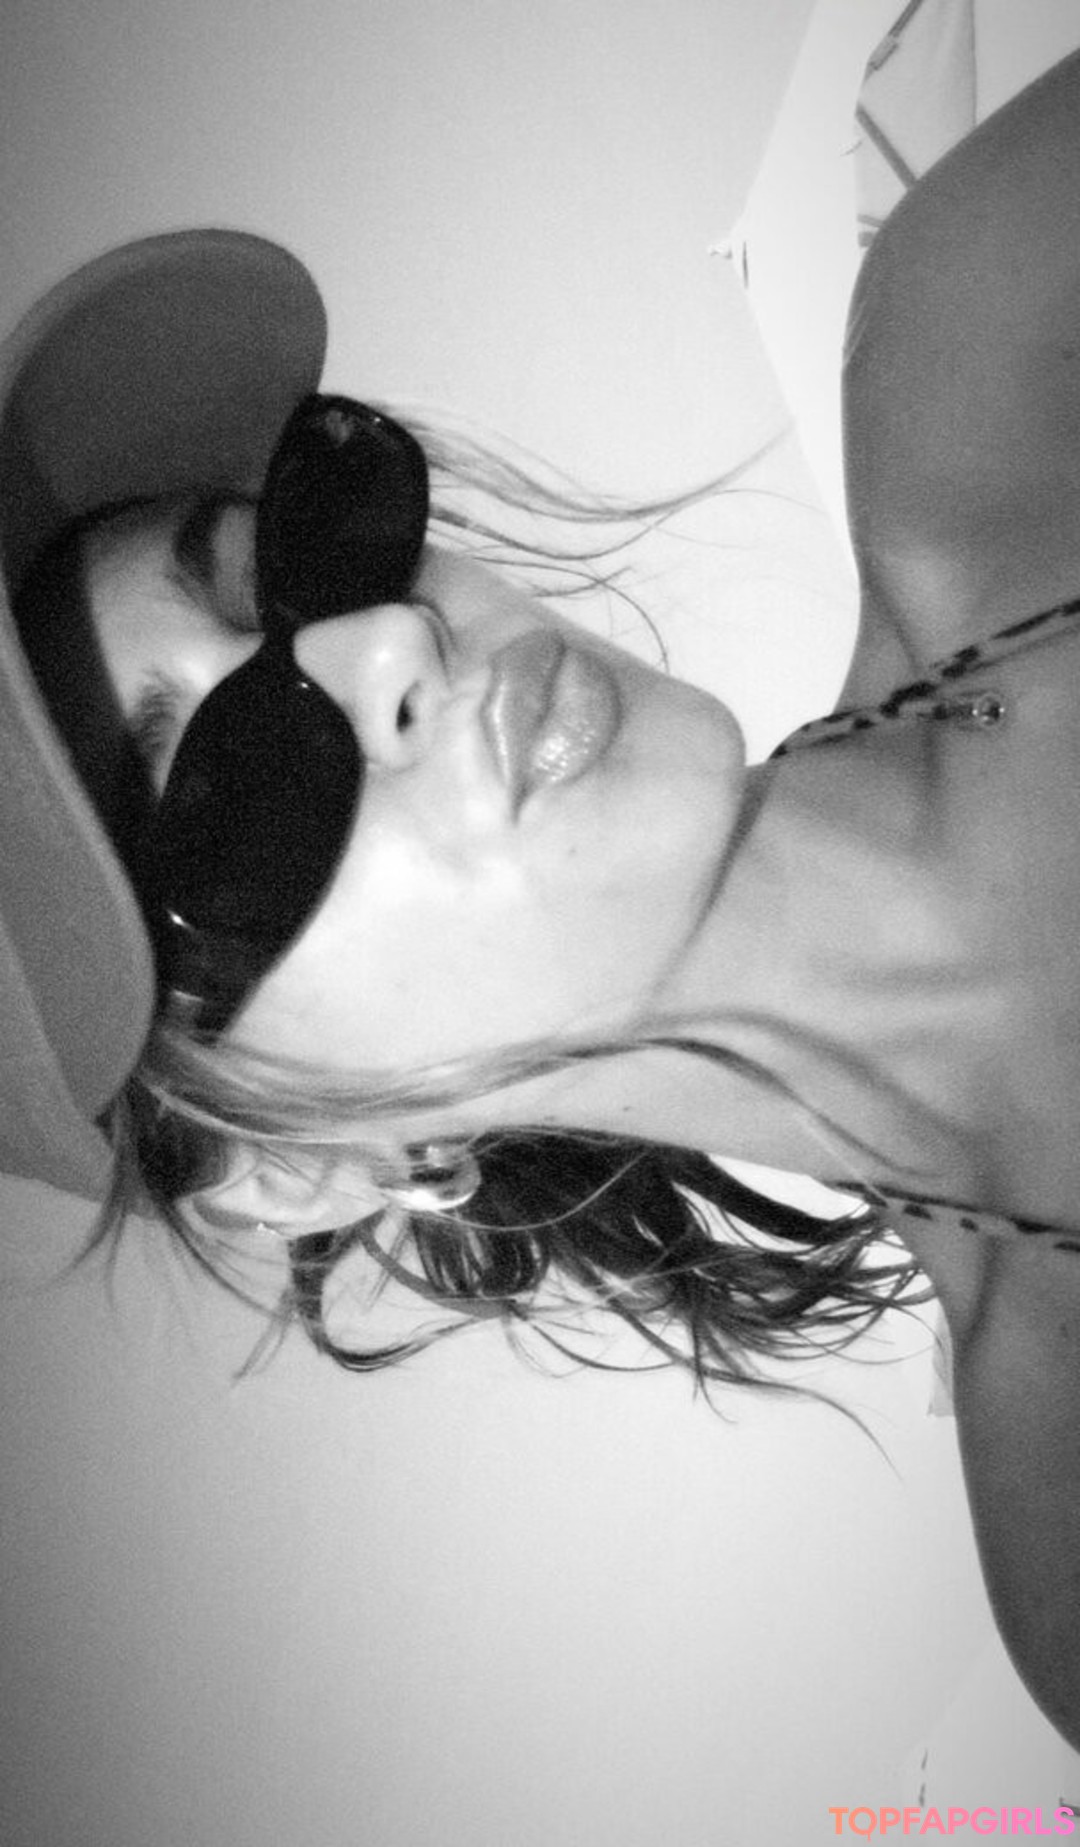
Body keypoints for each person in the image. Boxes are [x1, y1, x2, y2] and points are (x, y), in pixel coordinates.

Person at [3, 51, 1080, 1746]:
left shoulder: (1004, 339)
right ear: (304, 1170)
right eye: (232, 798)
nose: (386, 640)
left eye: (300, 559)